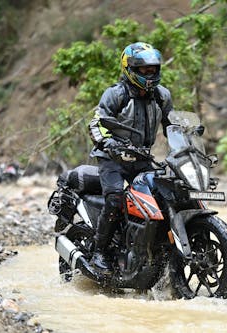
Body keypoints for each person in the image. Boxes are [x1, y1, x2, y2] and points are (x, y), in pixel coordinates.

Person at [88, 42, 173, 273]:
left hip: (141, 157)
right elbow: (97, 124)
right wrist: (107, 142)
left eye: (153, 69)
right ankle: (99, 252)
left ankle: (156, 250)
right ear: (129, 69)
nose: (149, 74)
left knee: (163, 196)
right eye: (143, 70)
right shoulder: (116, 94)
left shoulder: (162, 96)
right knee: (116, 199)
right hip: (112, 158)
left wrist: (186, 140)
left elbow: (172, 126)